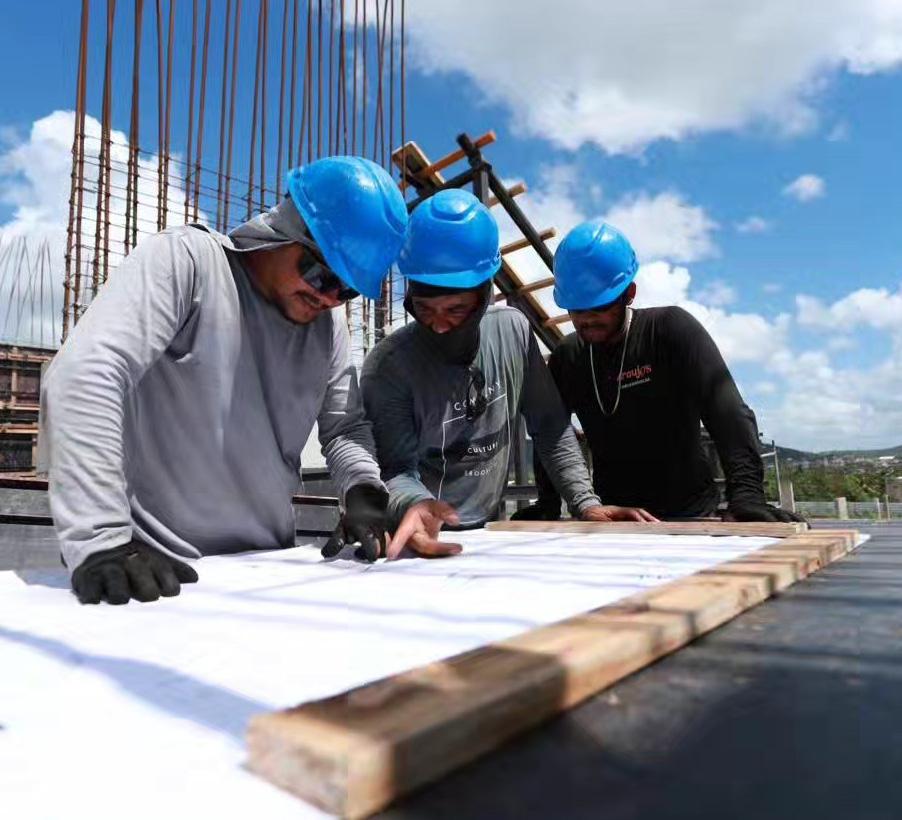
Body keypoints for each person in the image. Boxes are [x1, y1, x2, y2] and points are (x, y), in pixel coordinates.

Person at [42, 156, 430, 605]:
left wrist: (362, 487)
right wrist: (102, 538)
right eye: (320, 274)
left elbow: (344, 427)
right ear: (286, 228)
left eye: (346, 289)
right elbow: (88, 373)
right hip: (154, 577)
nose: (327, 297)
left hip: (266, 572)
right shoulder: (190, 263)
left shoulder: (329, 328)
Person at [359, 190, 654, 559]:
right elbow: (395, 469)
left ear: (484, 295)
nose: (439, 325)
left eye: (455, 309)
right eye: (425, 308)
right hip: (415, 535)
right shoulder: (390, 367)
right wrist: (413, 505)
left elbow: (550, 426)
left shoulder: (512, 331)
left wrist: (585, 503)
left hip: (487, 531)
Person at [512, 220, 804, 524]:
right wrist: (547, 502)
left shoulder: (669, 331)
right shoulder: (568, 356)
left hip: (690, 514)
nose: (587, 319)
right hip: (616, 519)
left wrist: (747, 495)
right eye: (576, 309)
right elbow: (550, 431)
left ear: (629, 293)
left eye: (600, 307)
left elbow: (728, 413)